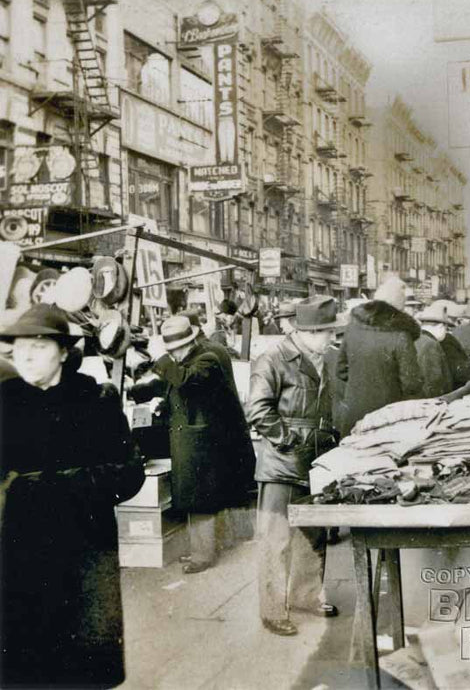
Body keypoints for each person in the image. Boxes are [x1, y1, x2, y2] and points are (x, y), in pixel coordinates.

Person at [0, 304, 145, 688]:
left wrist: (53, 486)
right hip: (17, 560)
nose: (26, 355)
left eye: (40, 345)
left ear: (64, 352)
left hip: (84, 558)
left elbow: (129, 474)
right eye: (19, 346)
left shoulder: (96, 401)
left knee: (81, 669)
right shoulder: (4, 402)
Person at [130, 315, 256, 574]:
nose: (172, 355)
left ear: (187, 343)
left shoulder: (207, 359)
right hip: (195, 439)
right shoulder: (193, 359)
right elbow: (168, 383)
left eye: (174, 350)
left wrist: (161, 358)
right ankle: (202, 549)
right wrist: (135, 392)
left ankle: (203, 555)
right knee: (195, 496)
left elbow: (186, 381)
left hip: (202, 442)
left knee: (200, 497)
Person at [247, 295, 340, 637]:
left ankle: (305, 596)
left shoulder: (323, 359)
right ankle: (272, 611)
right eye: (327, 332)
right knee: (276, 541)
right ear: (309, 331)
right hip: (282, 464)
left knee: (313, 535)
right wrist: (290, 441)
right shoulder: (272, 359)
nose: (332, 338)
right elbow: (258, 410)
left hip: (315, 463)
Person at [336, 276, 423, 436]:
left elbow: (340, 370)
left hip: (354, 413)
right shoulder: (401, 335)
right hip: (387, 418)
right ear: (399, 307)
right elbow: (412, 384)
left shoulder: (353, 329)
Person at [415, 306, 454, 398]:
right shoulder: (430, 344)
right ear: (441, 326)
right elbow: (434, 383)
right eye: (447, 329)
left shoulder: (416, 339)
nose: (446, 332)